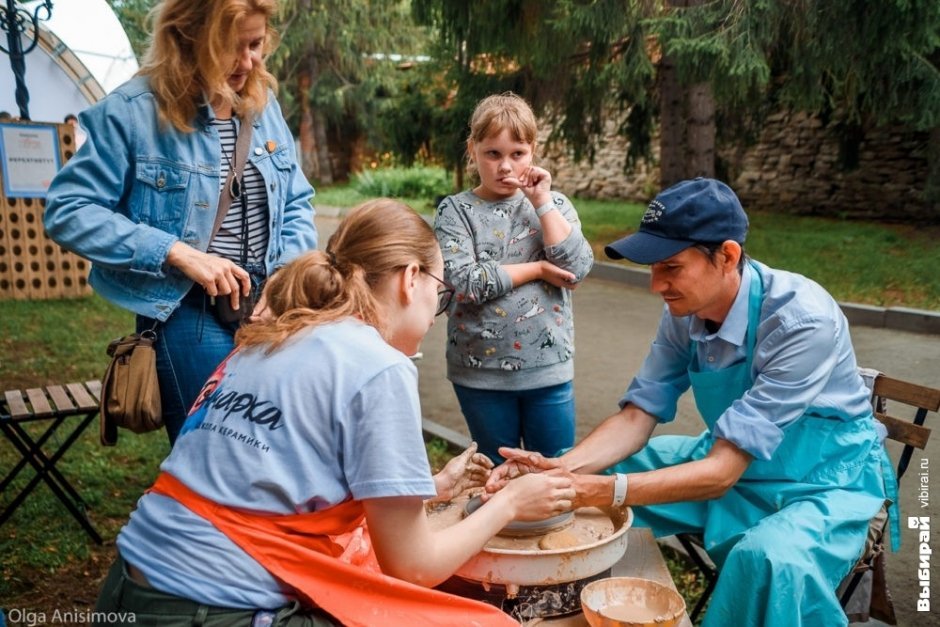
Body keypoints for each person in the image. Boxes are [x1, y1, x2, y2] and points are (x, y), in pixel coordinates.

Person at [93, 199, 575, 627]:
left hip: (126, 589)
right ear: (411, 279)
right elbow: (412, 567)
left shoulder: (274, 336)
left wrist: (430, 488)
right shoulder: (379, 364)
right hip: (213, 609)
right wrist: (510, 504)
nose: (435, 313)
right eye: (441, 293)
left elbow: (276, 477)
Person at [486, 178, 898, 627]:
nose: (656, 285)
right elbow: (638, 415)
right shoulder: (685, 313)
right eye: (652, 268)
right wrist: (562, 472)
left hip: (824, 482)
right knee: (579, 470)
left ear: (727, 256)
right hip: (736, 461)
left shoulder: (802, 321)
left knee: (767, 560)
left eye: (671, 267)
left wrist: (602, 491)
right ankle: (544, 607)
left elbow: (720, 473)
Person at [44, 0, 318, 445]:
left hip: (270, 309)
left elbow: (297, 201)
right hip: (188, 310)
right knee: (219, 452)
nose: (248, 62)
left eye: (256, 45)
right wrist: (177, 252)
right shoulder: (133, 112)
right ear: (188, 39)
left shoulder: (263, 106)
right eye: (231, 48)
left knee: (274, 448)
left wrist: (287, 273)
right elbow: (68, 209)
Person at [433, 92, 594, 464]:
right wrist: (536, 269)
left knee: (554, 467)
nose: (505, 166)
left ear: (532, 151)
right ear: (473, 150)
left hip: (548, 370)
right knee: (496, 468)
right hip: (479, 374)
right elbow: (464, 281)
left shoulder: (556, 206)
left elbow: (576, 268)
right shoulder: (456, 211)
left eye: (517, 153)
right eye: (493, 154)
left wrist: (542, 203)